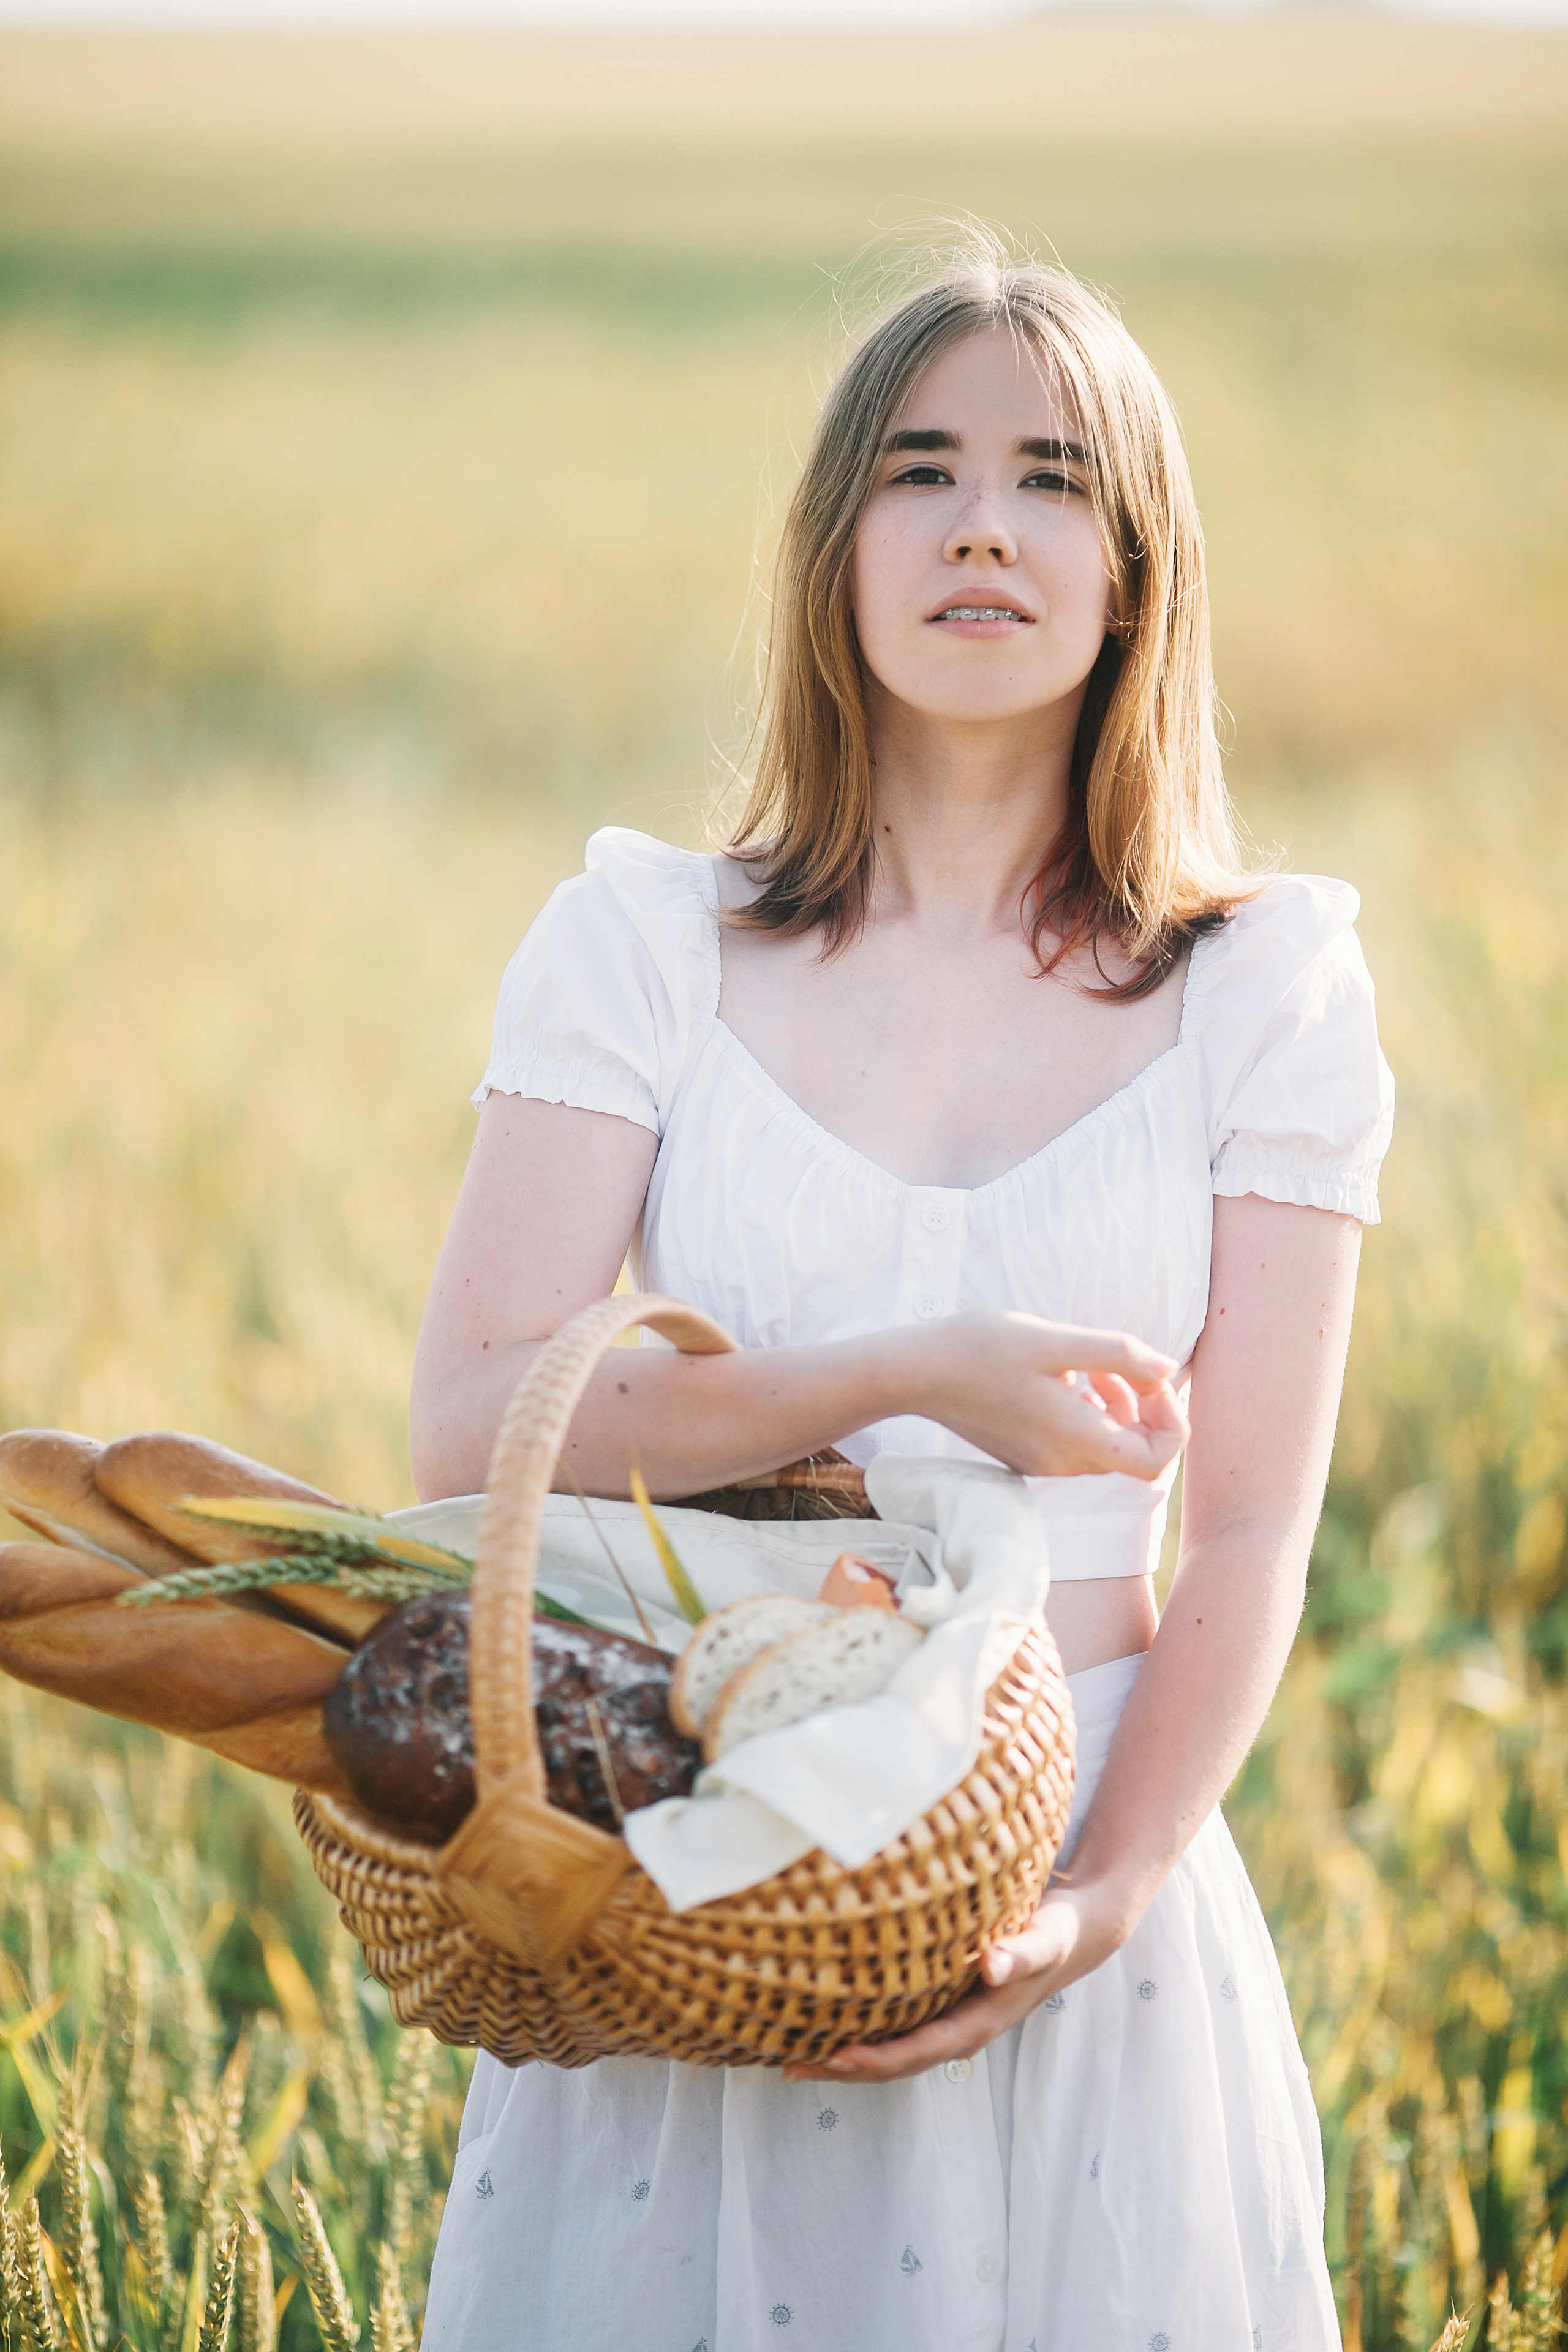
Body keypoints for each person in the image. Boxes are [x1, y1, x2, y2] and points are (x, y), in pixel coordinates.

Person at [410, 248, 1394, 2352]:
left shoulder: (1265, 994)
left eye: (1053, 480)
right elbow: (476, 1419)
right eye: (920, 471)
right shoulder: (646, 947)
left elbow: (1247, 1529)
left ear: (1134, 570)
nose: (980, 528)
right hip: (708, 1843)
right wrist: (916, 1374)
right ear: (833, 548)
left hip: (1085, 1847)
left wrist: (1103, 1899)